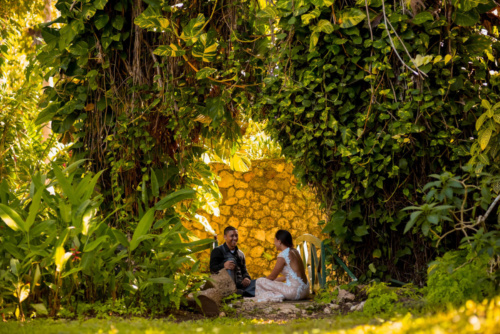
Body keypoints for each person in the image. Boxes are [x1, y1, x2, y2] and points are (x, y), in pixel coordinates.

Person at [253, 230, 309, 302]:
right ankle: (278, 294)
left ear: (279, 241)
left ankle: (274, 296)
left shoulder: (283, 255)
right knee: (275, 282)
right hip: (305, 290)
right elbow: (290, 276)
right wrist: (274, 282)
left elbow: (272, 277)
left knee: (259, 281)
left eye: (275, 241)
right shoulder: (295, 251)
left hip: (295, 292)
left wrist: (265, 280)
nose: (274, 243)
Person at [209, 226, 256, 297]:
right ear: (225, 237)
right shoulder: (217, 251)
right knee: (230, 261)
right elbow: (212, 269)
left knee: (261, 281)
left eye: (236, 236)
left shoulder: (240, 254)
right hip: (226, 287)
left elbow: (244, 271)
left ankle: (242, 292)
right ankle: (233, 293)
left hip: (241, 286)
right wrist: (224, 266)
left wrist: (246, 278)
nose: (235, 238)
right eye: (232, 236)